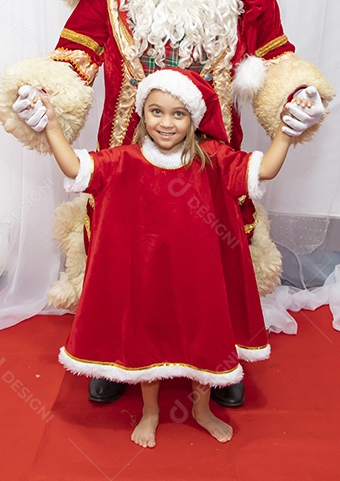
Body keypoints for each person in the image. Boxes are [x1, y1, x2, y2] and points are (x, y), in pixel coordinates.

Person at [0, 0, 335, 407]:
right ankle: (112, 352)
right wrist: (40, 99)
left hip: (212, 147)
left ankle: (221, 358)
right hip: (129, 148)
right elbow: (75, 55)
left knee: (214, 251)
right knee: (125, 252)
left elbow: (276, 55)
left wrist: (295, 98)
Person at [22, 68, 315, 447]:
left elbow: (266, 170)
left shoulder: (213, 158)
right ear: (143, 113)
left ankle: (202, 407)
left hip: (200, 278)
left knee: (204, 334)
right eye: (157, 111)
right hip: (147, 277)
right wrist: (50, 128)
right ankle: (150, 410)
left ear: (194, 118)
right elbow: (75, 168)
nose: (166, 122)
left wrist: (287, 133)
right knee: (149, 337)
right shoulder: (123, 159)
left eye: (178, 114)